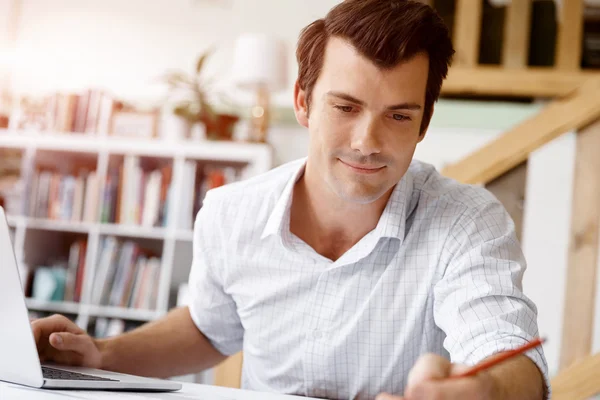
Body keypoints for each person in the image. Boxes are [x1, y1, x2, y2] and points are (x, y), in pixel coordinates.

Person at [31, 1, 548, 399]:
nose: (368, 141)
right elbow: (209, 328)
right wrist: (100, 353)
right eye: (345, 106)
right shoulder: (230, 212)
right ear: (303, 102)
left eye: (398, 116)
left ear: (424, 125)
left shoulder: (467, 222)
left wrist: (484, 390)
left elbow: (504, 351)